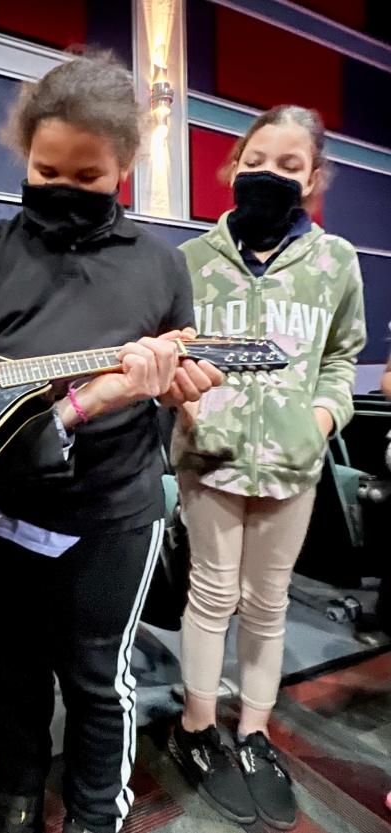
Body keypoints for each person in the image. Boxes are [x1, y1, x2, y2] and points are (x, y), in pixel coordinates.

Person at [0, 54, 222, 833]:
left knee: (98, 680)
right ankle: (16, 796)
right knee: (17, 672)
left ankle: (97, 816)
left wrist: (176, 388)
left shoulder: (161, 267)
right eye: (44, 167)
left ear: (124, 166)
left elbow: (176, 391)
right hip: (3, 507)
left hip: (111, 516)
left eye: (86, 175)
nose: (60, 186)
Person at [169, 105, 367, 830]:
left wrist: (319, 422)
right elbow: (172, 355)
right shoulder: (190, 261)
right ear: (231, 167)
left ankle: (252, 731)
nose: (269, 175)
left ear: (314, 179)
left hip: (293, 463)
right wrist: (190, 411)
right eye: (256, 161)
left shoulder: (336, 262)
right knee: (211, 594)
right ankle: (196, 726)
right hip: (210, 461)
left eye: (290, 165)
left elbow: (343, 359)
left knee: (269, 601)